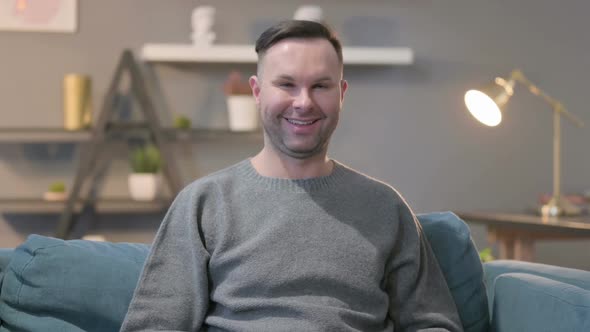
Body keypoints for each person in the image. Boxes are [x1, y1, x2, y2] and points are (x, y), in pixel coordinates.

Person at [120, 20, 462, 332]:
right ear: (257, 92)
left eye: (320, 86)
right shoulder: (204, 203)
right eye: (287, 84)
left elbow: (433, 323)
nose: (304, 102)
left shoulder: (385, 206)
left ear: (341, 94)